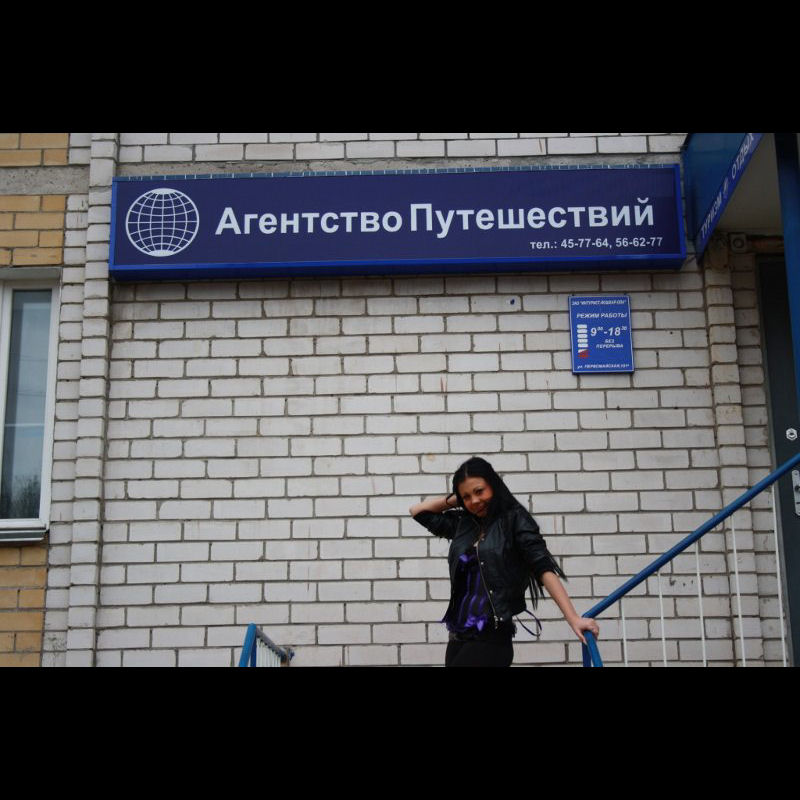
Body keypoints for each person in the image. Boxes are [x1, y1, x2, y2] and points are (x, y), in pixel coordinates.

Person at [409, 456, 599, 667]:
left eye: (479, 491)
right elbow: (417, 512)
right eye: (467, 497)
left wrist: (573, 618)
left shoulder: (514, 519)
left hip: (490, 638)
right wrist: (456, 500)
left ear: (494, 484)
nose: (474, 501)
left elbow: (542, 567)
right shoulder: (464, 523)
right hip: (458, 637)